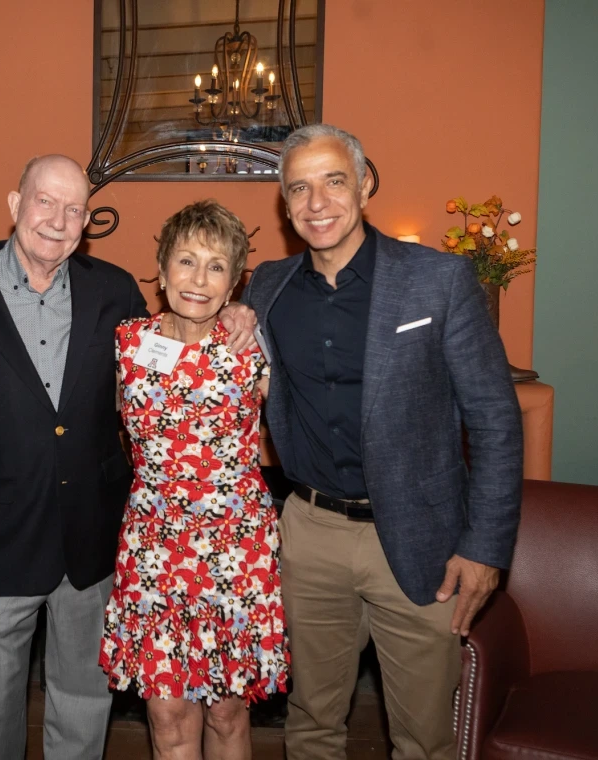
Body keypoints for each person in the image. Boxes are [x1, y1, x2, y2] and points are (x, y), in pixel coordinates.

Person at [0, 156, 256, 760]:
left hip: (94, 531)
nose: (58, 220)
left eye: (74, 209)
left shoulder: (114, 292)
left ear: (86, 223)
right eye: (45, 202)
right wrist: (3, 437)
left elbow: (171, 353)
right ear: (14, 203)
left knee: (82, 695)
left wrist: (239, 310)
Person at [242, 124, 523, 760]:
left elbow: (496, 420)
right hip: (309, 532)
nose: (317, 204)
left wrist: (485, 548)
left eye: (334, 182)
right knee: (312, 724)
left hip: (423, 539)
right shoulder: (267, 289)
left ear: (365, 184)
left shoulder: (439, 281)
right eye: (299, 190)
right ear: (285, 205)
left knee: (424, 738)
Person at [100, 200, 291, 759]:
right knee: (167, 715)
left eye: (215, 266)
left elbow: (304, 427)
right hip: (155, 548)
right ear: (161, 272)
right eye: (186, 261)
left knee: (229, 715)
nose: (198, 279)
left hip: (235, 549)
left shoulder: (251, 350)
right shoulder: (127, 343)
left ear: (234, 282)